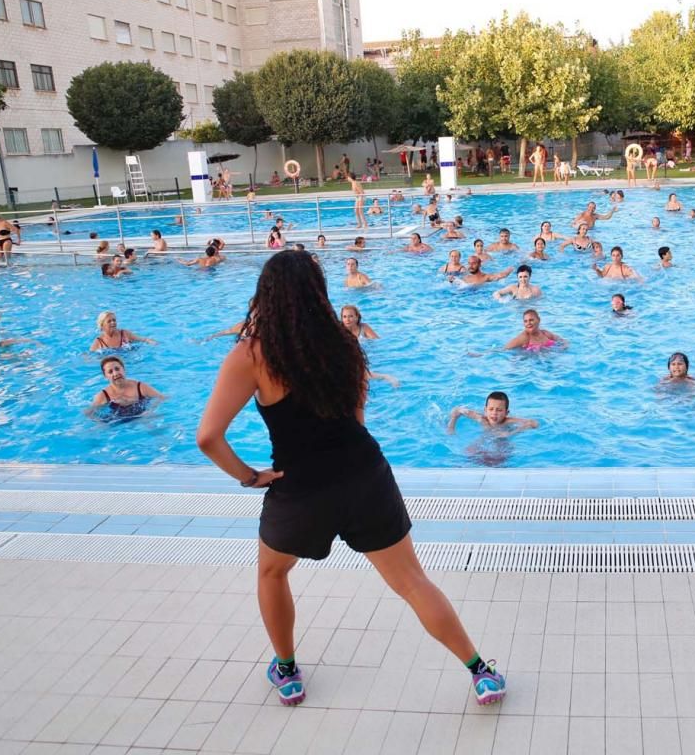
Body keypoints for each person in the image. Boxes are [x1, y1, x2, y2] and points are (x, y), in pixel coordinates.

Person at [196, 251, 506, 707]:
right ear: (319, 294)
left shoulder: (252, 355)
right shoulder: (346, 346)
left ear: (267, 297)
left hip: (300, 486)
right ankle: (480, 671)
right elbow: (357, 421)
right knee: (412, 582)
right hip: (365, 475)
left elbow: (208, 437)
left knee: (272, 571)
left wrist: (250, 477)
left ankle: (287, 670)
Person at [88, 356, 164, 418]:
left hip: (141, 416)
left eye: (117, 369)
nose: (115, 373)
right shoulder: (103, 396)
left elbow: (162, 397)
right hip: (116, 420)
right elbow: (89, 413)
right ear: (105, 376)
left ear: (124, 369)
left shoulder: (140, 387)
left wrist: (151, 410)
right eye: (110, 372)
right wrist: (100, 423)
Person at [447, 391, 538, 434]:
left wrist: (511, 433)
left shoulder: (508, 421)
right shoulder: (482, 419)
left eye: (499, 410)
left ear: (506, 412)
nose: (494, 413)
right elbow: (457, 410)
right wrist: (452, 426)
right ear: (485, 410)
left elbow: (534, 423)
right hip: (485, 439)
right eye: (491, 409)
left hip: (502, 442)